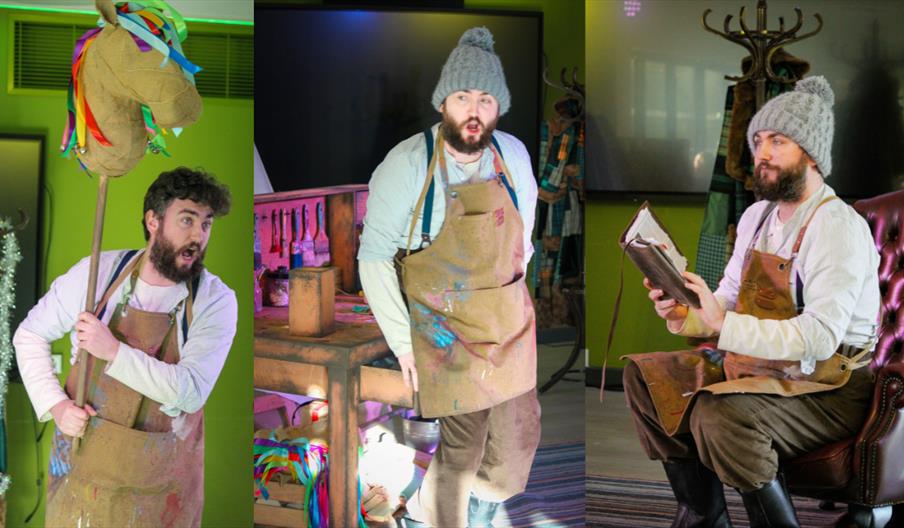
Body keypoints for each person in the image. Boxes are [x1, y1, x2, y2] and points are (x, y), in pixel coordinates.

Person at [623, 76, 880, 527]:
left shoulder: (836, 225)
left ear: (812, 154)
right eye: (758, 140)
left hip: (830, 386)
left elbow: (820, 338)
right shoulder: (756, 216)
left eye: (778, 141)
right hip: (760, 368)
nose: (761, 153)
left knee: (720, 413)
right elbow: (725, 300)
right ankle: (704, 517)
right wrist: (684, 311)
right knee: (646, 377)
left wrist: (723, 324)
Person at [358, 26, 541, 527]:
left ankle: (419, 509)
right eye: (462, 97)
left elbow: (523, 241)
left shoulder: (515, 156)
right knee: (462, 452)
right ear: (444, 103)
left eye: (485, 99)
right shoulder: (407, 163)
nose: (474, 110)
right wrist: (402, 342)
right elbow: (373, 257)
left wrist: (512, 308)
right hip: (443, 322)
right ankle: (444, 517)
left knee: (513, 456)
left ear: (498, 107)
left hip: (505, 318)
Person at [14, 167, 237, 527]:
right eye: (187, 220)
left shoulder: (215, 300)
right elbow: (29, 335)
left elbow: (190, 391)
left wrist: (113, 351)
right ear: (153, 220)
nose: (198, 235)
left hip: (163, 490)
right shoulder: (96, 276)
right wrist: (55, 406)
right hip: (82, 475)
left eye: (207, 224)